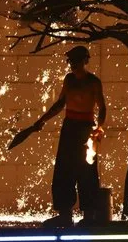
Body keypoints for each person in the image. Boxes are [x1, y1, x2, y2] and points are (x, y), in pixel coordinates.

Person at [33, 46, 108, 227]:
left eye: (76, 60)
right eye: (71, 61)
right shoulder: (69, 80)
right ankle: (65, 214)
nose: (73, 64)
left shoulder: (93, 82)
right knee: (64, 170)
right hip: (70, 128)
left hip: (86, 129)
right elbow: (60, 103)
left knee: (87, 172)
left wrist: (99, 128)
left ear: (85, 60)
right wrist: (42, 120)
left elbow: (102, 107)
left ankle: (89, 215)